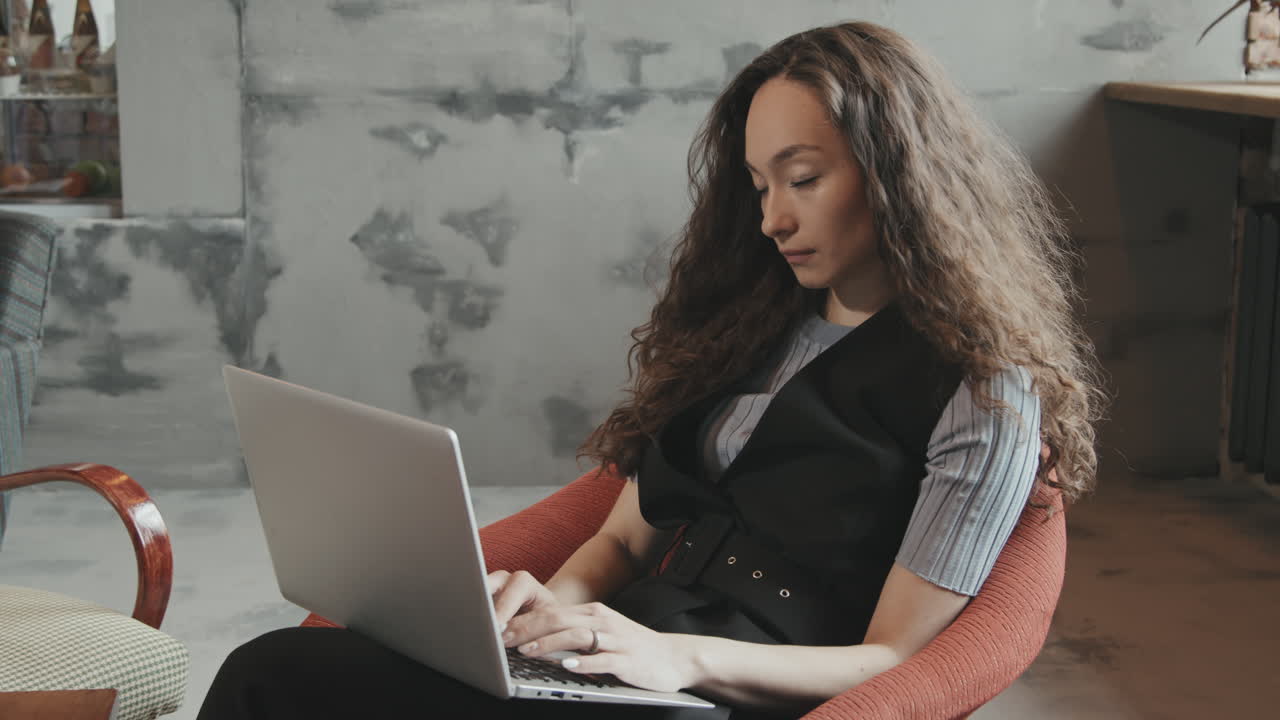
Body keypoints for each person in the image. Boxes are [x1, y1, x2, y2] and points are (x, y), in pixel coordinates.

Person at [197, 20, 1105, 720]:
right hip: (617, 656)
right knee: (269, 673)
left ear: (900, 172)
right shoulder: (750, 325)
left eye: (803, 178)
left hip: (716, 692)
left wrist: (681, 662)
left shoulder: (982, 389)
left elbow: (898, 659)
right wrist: (544, 614)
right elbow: (623, 542)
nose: (772, 220)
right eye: (758, 185)